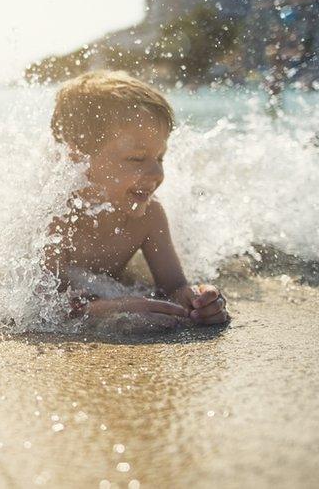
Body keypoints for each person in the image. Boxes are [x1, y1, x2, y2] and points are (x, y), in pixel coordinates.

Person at [43, 70, 228, 327]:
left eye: (160, 157)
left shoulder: (148, 217)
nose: (157, 173)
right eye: (136, 158)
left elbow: (174, 286)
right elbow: (37, 306)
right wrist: (111, 310)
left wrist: (198, 301)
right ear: (78, 157)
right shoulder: (53, 217)